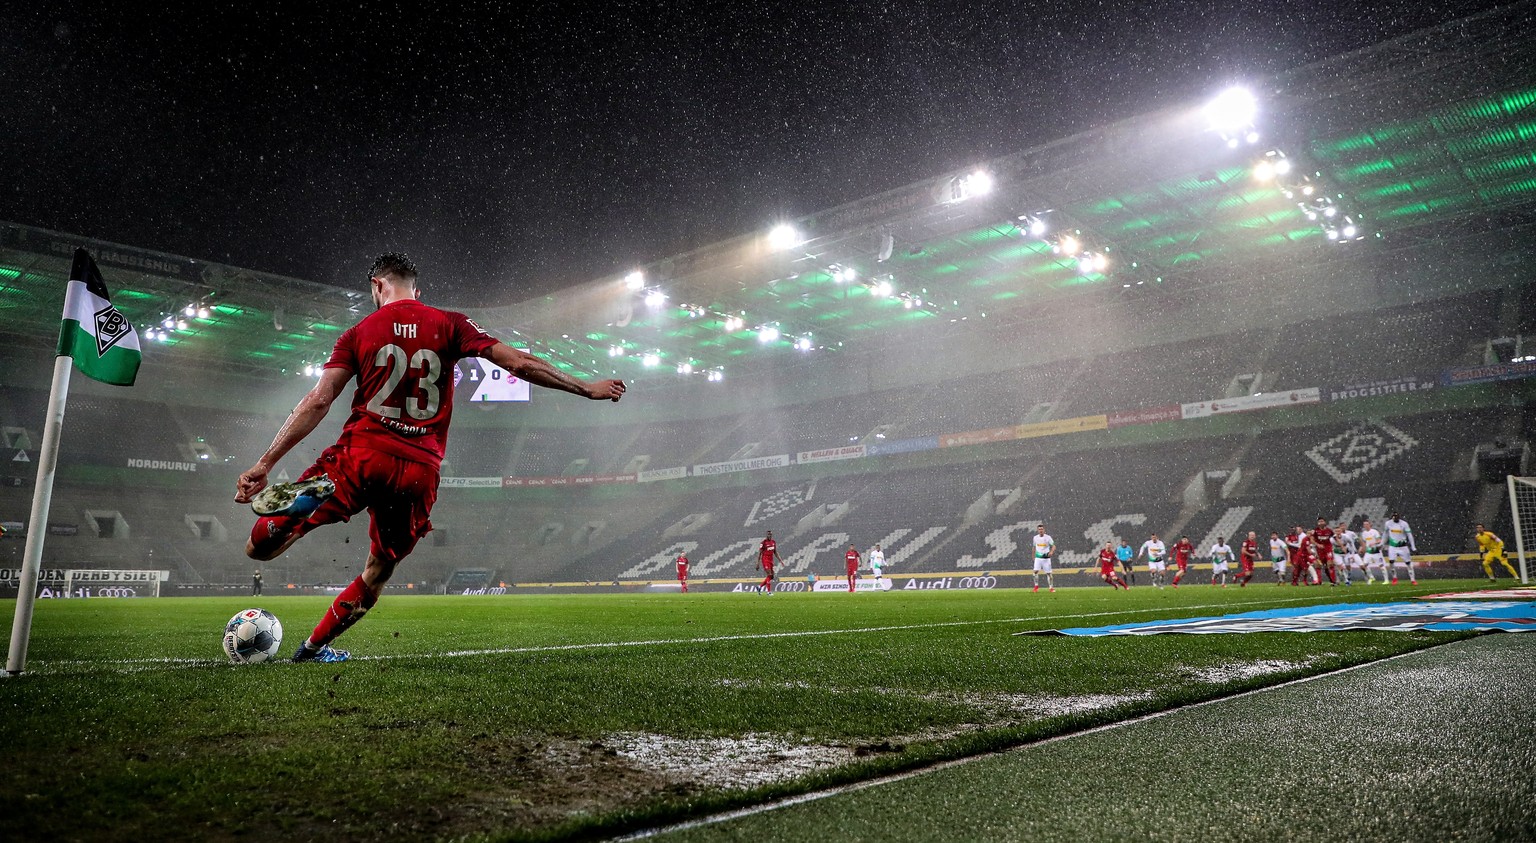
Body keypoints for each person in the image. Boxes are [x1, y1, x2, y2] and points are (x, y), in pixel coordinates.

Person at [234, 253, 626, 662]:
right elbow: (517, 363)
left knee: (258, 550)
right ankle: (314, 648)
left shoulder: (359, 332)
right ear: (416, 290)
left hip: (361, 455)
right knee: (379, 568)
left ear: (377, 285)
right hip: (419, 471)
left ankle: (304, 502)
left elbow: (318, 401)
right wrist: (584, 387)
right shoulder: (450, 323)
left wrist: (264, 463)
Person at [1383, 512, 1417, 585]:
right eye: (1394, 517)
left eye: (1397, 516)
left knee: (1408, 563)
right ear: (1392, 517)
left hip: (1403, 546)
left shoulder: (1404, 524)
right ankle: (1394, 578)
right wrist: (1382, 543)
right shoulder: (1388, 523)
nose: (1395, 518)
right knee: (1391, 562)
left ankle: (1413, 579)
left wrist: (1413, 546)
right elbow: (1385, 534)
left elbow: (1409, 535)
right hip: (1393, 546)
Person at [1359, 519, 1388, 584]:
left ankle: (1386, 580)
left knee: (1381, 566)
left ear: (1370, 525)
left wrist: (1374, 543)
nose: (1365, 525)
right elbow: (1364, 542)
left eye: (1367, 524)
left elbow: (1379, 540)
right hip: (1368, 552)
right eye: (1364, 524)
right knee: (1364, 565)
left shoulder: (1374, 532)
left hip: (1376, 551)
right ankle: (1371, 577)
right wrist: (1361, 548)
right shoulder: (1364, 533)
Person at [1311, 517, 1337, 586]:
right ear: (1318, 523)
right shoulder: (1315, 531)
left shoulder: (1329, 531)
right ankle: (1330, 580)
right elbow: (1312, 540)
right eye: (1319, 521)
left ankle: (1334, 581)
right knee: (1324, 566)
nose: (1321, 523)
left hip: (1328, 549)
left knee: (1330, 563)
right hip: (1320, 551)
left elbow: (1335, 538)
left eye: (1322, 521)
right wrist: (1318, 544)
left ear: (1325, 522)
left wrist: (1342, 546)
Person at [1031, 524, 1056, 593]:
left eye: (1042, 529)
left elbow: (1053, 546)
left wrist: (1051, 551)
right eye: (1039, 529)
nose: (1041, 530)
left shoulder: (1048, 537)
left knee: (1049, 573)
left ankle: (1051, 587)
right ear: (1037, 530)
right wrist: (1033, 556)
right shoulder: (1035, 538)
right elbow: (1034, 547)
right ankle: (1036, 587)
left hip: (1046, 558)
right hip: (1038, 558)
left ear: (1044, 530)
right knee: (1035, 571)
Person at [758, 530, 781, 595]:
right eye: (768, 534)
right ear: (766, 535)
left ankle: (759, 587)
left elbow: (775, 552)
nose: (769, 535)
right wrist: (758, 563)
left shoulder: (773, 542)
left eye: (770, 534)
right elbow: (760, 553)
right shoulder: (763, 543)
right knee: (769, 575)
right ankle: (768, 592)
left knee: (772, 576)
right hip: (765, 560)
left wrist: (780, 560)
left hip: (771, 560)